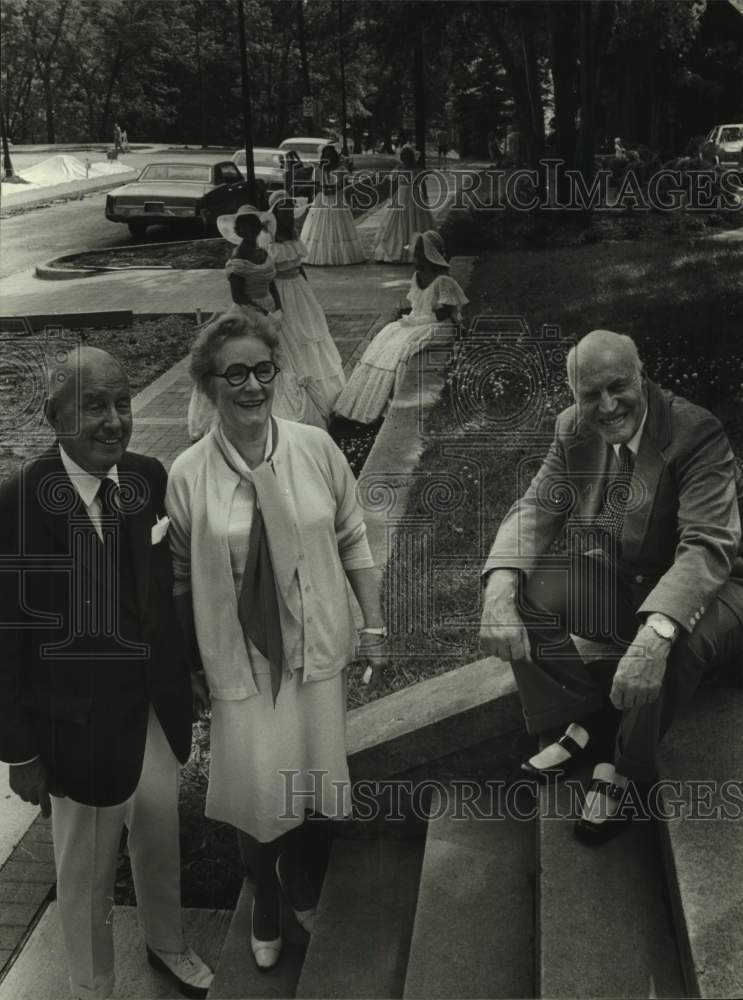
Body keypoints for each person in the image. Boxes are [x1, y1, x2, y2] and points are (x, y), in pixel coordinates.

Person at [166, 309, 387, 971]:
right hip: (242, 657)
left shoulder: (314, 448)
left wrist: (371, 625)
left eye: (263, 369)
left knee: (317, 775)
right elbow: (180, 576)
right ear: (208, 385)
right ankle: (264, 892)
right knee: (259, 788)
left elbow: (352, 536)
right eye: (234, 373)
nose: (252, 386)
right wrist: (191, 662)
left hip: (315, 643)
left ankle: (307, 878)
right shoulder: (187, 474)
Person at [0, 346, 213, 1000]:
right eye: (95, 405)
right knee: (86, 870)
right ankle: (91, 987)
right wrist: (21, 751)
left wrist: (192, 671)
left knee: (157, 832)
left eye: (122, 403)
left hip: (150, 707)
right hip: (74, 728)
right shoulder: (17, 503)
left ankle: (167, 943)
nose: (114, 420)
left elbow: (168, 591)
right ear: (53, 413)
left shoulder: (146, 477)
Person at [479, 330, 743, 843]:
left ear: (641, 374)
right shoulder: (573, 429)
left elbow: (708, 547)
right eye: (589, 394)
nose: (606, 405)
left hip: (718, 585)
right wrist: (499, 587)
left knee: (675, 636)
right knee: (528, 592)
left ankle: (625, 766)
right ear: (574, 395)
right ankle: (587, 719)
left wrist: (654, 635)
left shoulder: (695, 431)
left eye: (618, 386)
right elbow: (536, 507)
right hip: (627, 577)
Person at [187, 204, 306, 437]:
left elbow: (272, 281)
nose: (250, 230)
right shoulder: (238, 258)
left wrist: (279, 308)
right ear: (239, 231)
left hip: (271, 309)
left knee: (277, 356)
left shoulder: (262, 252)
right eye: (245, 227)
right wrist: (264, 315)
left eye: (254, 225)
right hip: (248, 311)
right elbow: (238, 296)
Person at [333, 230, 467, 425]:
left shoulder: (443, 281)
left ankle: (392, 401)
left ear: (432, 256)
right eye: (416, 253)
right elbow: (416, 305)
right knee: (385, 338)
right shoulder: (417, 276)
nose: (415, 258)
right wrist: (414, 320)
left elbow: (446, 312)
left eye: (420, 254)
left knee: (406, 346)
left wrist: (424, 322)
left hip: (437, 324)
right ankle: (362, 401)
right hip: (416, 320)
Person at [264, 188, 346, 427]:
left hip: (299, 290)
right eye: (283, 210)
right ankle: (299, 386)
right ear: (274, 214)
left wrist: (309, 293)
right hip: (282, 290)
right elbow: (269, 275)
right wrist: (276, 305)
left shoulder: (293, 235)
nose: (288, 214)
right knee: (293, 335)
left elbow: (299, 267)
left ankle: (325, 392)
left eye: (290, 209)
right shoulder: (269, 239)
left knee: (312, 332)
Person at [300, 144, 366, 266]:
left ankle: (340, 255)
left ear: (334, 156)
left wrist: (330, 188)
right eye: (325, 155)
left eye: (330, 154)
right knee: (321, 226)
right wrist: (323, 188)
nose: (327, 157)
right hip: (322, 200)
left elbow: (342, 184)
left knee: (338, 225)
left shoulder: (341, 169)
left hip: (337, 199)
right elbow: (316, 185)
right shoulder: (318, 169)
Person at [373, 145, 436, 264]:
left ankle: (409, 251)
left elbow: (421, 184)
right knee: (405, 221)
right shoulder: (404, 168)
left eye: (408, 157)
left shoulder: (411, 169)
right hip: (406, 195)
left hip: (410, 195)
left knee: (410, 220)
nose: (406, 159)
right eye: (405, 157)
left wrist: (425, 198)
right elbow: (394, 183)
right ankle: (401, 251)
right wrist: (391, 197)